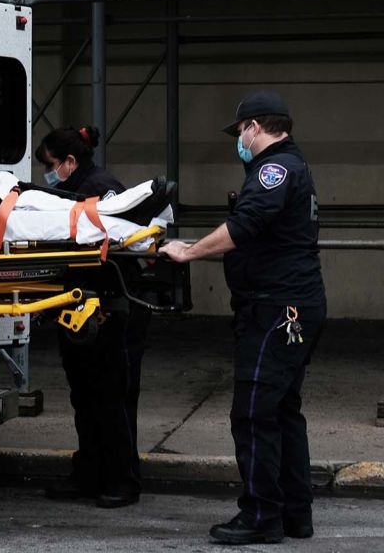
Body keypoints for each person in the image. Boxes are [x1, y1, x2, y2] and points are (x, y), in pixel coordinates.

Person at [162, 91, 324, 545]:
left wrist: (188, 252)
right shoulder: (291, 166)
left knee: (253, 414)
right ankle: (296, 514)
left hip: (277, 309)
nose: (239, 140)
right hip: (291, 305)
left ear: (254, 127)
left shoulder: (275, 169)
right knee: (283, 412)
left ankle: (261, 516)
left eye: (239, 132)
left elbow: (244, 225)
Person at [36, 126, 147, 509]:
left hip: (111, 308)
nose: (47, 174)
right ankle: (89, 474)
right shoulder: (69, 190)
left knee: (111, 398)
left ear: (70, 161)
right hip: (81, 308)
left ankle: (122, 480)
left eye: (50, 166)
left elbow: (118, 242)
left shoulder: (102, 188)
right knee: (84, 398)